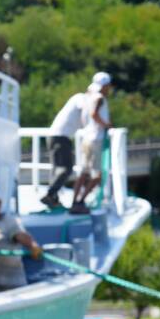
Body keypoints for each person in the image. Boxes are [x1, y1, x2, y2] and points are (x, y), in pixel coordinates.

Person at [71, 72, 113, 214]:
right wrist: (106, 125)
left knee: (83, 172)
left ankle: (74, 202)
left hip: (87, 137)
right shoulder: (99, 98)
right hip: (96, 139)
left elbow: (86, 115)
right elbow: (94, 114)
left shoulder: (88, 96)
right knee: (97, 175)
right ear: (105, 86)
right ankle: (81, 201)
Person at [42, 90, 86, 209]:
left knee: (57, 169)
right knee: (66, 168)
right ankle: (50, 194)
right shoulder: (82, 98)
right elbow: (86, 112)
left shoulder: (77, 99)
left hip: (56, 136)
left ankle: (53, 198)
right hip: (61, 137)